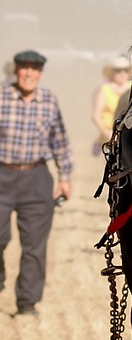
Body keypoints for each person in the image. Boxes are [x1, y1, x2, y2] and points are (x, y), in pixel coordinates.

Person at [0, 50, 73, 316]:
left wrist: (65, 177)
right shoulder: (2, 96)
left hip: (36, 178)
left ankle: (27, 304)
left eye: (34, 69)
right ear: (16, 71)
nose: (29, 73)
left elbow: (60, 142)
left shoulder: (48, 100)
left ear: (40, 73)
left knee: (34, 246)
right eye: (24, 68)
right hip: (2, 175)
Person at [91, 55, 131, 151]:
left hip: (128, 135)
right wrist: (107, 133)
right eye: (118, 70)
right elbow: (96, 115)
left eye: (125, 70)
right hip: (107, 137)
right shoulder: (105, 90)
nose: (122, 73)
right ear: (112, 72)